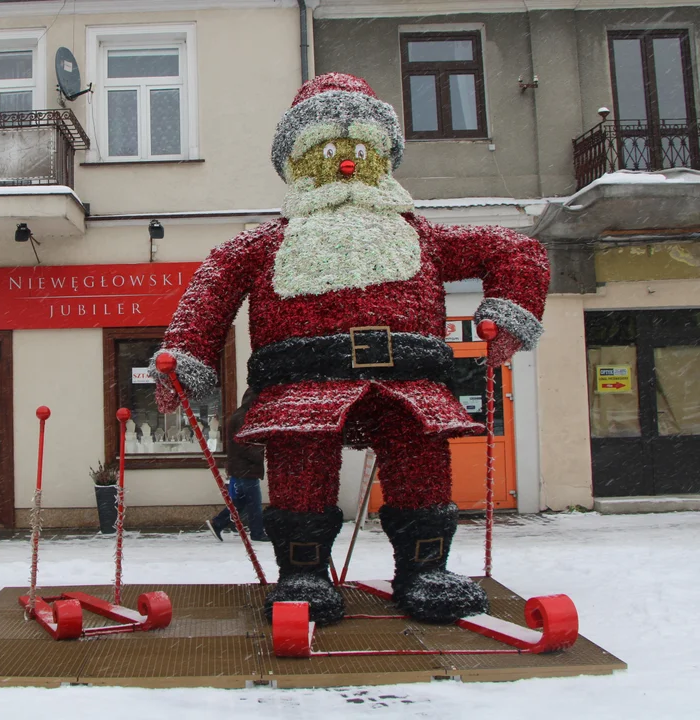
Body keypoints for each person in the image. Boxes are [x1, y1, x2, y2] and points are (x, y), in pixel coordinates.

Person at [153, 73, 549, 627]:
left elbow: (516, 251)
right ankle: (304, 576)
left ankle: (425, 570)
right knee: (301, 472)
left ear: (382, 159)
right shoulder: (265, 244)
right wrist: (185, 359)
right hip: (300, 386)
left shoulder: (420, 235)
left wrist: (507, 313)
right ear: (296, 164)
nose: (344, 164)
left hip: (410, 381)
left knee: (420, 469)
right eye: (326, 153)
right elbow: (211, 289)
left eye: (360, 151)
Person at [206, 388, 269, 542]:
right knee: (253, 503)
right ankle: (257, 533)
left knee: (240, 502)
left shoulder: (241, 415)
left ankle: (218, 523)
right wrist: (260, 452)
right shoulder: (244, 417)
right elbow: (243, 444)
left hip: (241, 467)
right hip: (246, 467)